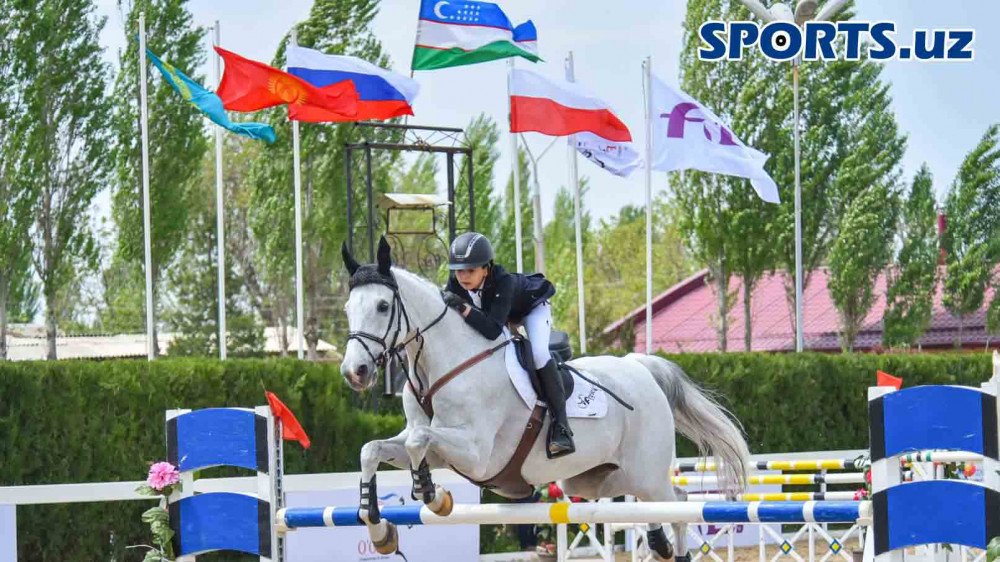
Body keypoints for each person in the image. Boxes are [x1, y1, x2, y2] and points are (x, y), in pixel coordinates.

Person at [442, 231, 575, 458]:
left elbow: (492, 330)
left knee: (539, 354)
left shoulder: (504, 281)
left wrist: (463, 308)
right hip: (499, 314)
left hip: (531, 310)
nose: (463, 276)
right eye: (459, 270)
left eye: (470, 270)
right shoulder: (457, 281)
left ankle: (561, 428)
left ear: (486, 269)